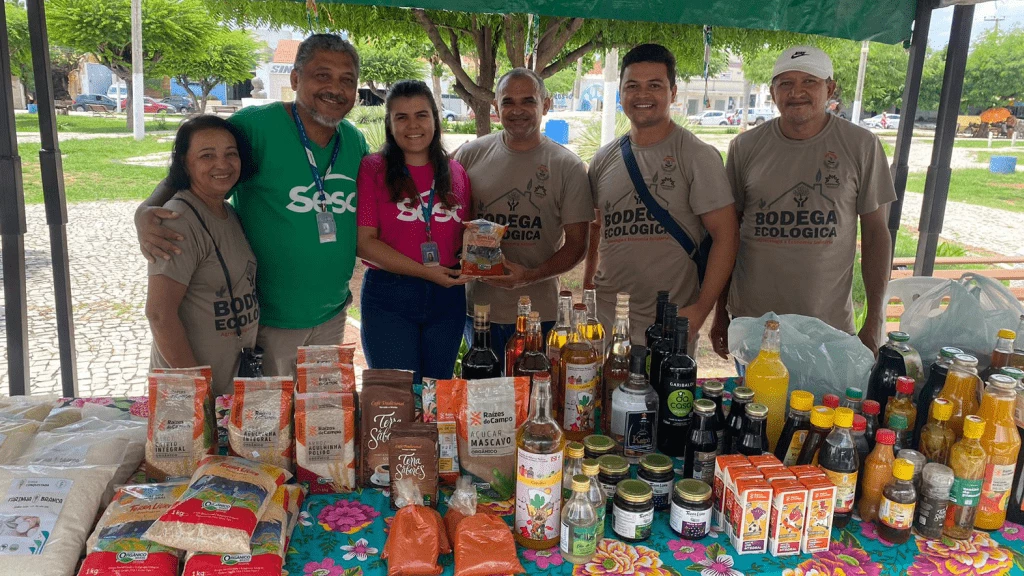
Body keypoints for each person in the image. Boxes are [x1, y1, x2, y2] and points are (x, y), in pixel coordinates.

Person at [135, 34, 368, 377]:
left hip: (333, 317)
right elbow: (195, 168)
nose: (335, 88)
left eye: (346, 80)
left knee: (321, 419)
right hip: (268, 325)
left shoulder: (354, 140)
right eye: (322, 75)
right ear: (294, 79)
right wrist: (145, 210)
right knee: (273, 424)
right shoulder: (256, 127)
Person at [710, 45, 896, 358]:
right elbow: (728, 233)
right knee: (755, 407)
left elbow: (877, 233)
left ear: (830, 88)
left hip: (828, 329)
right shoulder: (745, 146)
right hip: (755, 324)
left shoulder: (861, 145)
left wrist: (875, 318)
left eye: (809, 82)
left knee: (824, 407)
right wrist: (720, 313)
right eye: (786, 83)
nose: (797, 92)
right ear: (772, 92)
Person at [584, 44, 739, 346]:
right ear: (621, 94)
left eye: (654, 85)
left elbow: (727, 236)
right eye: (632, 86)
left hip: (669, 323)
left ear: (673, 92)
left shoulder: (696, 156)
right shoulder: (603, 159)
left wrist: (701, 310)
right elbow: (596, 226)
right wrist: (588, 284)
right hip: (605, 320)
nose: (642, 95)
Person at [454, 68, 594, 353]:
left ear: (546, 104)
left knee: (535, 394)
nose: (517, 110)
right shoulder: (470, 155)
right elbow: (453, 224)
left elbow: (578, 245)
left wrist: (530, 276)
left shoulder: (567, 166)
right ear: (495, 106)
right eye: (508, 102)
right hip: (479, 311)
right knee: (484, 392)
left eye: (528, 101)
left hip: (539, 315)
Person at [356, 80, 471, 382]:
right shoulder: (372, 169)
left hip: (448, 297)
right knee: (397, 396)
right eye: (401, 117)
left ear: (435, 118)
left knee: (437, 392)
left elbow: (465, 239)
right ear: (389, 124)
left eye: (421, 115)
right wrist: (426, 272)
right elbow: (365, 244)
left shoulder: (456, 172)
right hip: (390, 296)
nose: (413, 125)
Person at [146, 115, 258, 395]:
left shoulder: (228, 212)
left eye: (230, 154)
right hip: (190, 392)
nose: (222, 164)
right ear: (185, 162)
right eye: (207, 155)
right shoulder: (178, 219)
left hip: (228, 384)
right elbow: (159, 313)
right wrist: (198, 389)